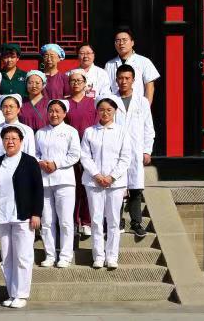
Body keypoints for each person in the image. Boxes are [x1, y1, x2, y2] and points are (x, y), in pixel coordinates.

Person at [0, 126, 43, 309]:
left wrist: (36, 213)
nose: (10, 142)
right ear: (2, 141)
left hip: (23, 217)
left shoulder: (30, 162)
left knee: (23, 256)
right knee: (7, 257)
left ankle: (21, 294)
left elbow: (38, 190)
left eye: (14, 138)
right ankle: (12, 292)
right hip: (2, 216)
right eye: (6, 138)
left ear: (21, 141)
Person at [80, 97, 132, 270]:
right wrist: (96, 174)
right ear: (97, 111)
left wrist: (112, 177)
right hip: (93, 182)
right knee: (96, 220)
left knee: (113, 220)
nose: (105, 113)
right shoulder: (89, 132)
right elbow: (85, 156)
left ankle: (112, 256)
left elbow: (125, 157)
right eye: (102, 109)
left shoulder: (122, 132)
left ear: (115, 111)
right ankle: (98, 256)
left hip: (115, 183)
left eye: (109, 110)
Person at [35, 99, 81, 268]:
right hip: (44, 180)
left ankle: (65, 255)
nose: (54, 114)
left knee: (65, 220)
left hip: (64, 180)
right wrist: (40, 162)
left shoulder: (71, 131)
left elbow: (75, 154)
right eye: (51, 111)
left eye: (57, 111)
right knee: (47, 221)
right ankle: (49, 255)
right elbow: (35, 153)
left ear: (64, 113)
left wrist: (56, 164)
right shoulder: (40, 132)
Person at [112, 64, 155, 238]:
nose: (124, 81)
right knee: (117, 188)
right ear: (116, 80)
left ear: (133, 80)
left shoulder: (142, 101)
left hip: (136, 150)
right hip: (115, 151)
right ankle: (117, 221)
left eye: (127, 78)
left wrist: (147, 150)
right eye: (121, 78)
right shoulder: (110, 100)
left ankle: (136, 222)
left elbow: (148, 127)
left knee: (136, 188)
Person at [64, 68, 98, 237]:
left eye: (79, 80)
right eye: (73, 80)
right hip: (68, 151)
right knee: (72, 187)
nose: (76, 83)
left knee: (87, 187)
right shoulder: (64, 103)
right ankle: (71, 220)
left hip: (88, 151)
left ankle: (86, 221)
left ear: (86, 83)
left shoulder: (93, 103)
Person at [104, 26, 160, 105]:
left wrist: (146, 107)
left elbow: (149, 88)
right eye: (118, 40)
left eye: (124, 40)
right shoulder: (109, 64)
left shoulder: (144, 61)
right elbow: (106, 88)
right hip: (115, 106)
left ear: (132, 42)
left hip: (137, 105)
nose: (121, 43)